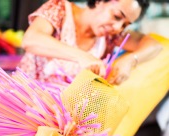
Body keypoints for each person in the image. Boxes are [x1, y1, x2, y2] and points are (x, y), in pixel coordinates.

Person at [19, 0, 162, 86]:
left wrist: (131, 60)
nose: (118, 28)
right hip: (23, 101)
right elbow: (31, 39)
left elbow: (155, 45)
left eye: (125, 25)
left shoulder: (110, 36)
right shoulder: (60, 9)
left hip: (57, 117)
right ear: (100, 1)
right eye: (117, 16)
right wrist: (83, 56)